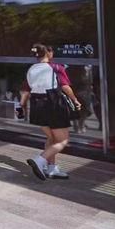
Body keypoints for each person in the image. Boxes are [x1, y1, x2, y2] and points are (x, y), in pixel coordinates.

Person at [20, 43, 81, 181]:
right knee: (63, 140)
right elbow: (65, 87)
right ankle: (40, 160)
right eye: (51, 51)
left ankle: (51, 169)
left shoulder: (31, 69)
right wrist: (75, 100)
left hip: (36, 105)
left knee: (51, 138)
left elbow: (26, 92)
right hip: (53, 105)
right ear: (48, 52)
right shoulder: (55, 67)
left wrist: (20, 108)